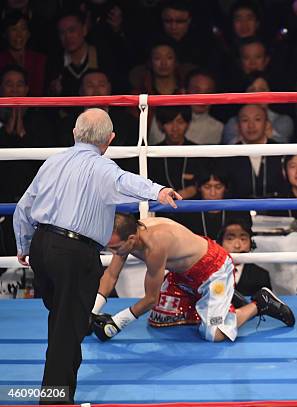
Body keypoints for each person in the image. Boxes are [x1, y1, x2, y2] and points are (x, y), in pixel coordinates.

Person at [12, 108, 182, 404]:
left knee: (65, 323)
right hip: (73, 254)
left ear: (75, 134)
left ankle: (61, 390)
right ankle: (54, 400)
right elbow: (125, 182)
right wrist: (159, 191)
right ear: (110, 139)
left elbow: (24, 206)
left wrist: (24, 244)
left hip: (41, 247)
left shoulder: (53, 162)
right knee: (67, 328)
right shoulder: (102, 167)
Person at [90, 214, 294, 343]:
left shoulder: (155, 245)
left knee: (213, 334)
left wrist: (116, 324)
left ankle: (259, 304)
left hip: (213, 272)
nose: (112, 252)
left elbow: (150, 299)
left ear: (131, 239)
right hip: (184, 276)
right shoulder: (128, 234)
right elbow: (110, 275)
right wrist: (90, 314)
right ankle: (228, 302)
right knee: (161, 319)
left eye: (115, 248)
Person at [218, 219, 271, 296]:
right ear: (220, 243)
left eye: (243, 239)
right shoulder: (210, 273)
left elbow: (266, 305)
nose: (237, 246)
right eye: (230, 239)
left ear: (251, 243)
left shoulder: (261, 275)